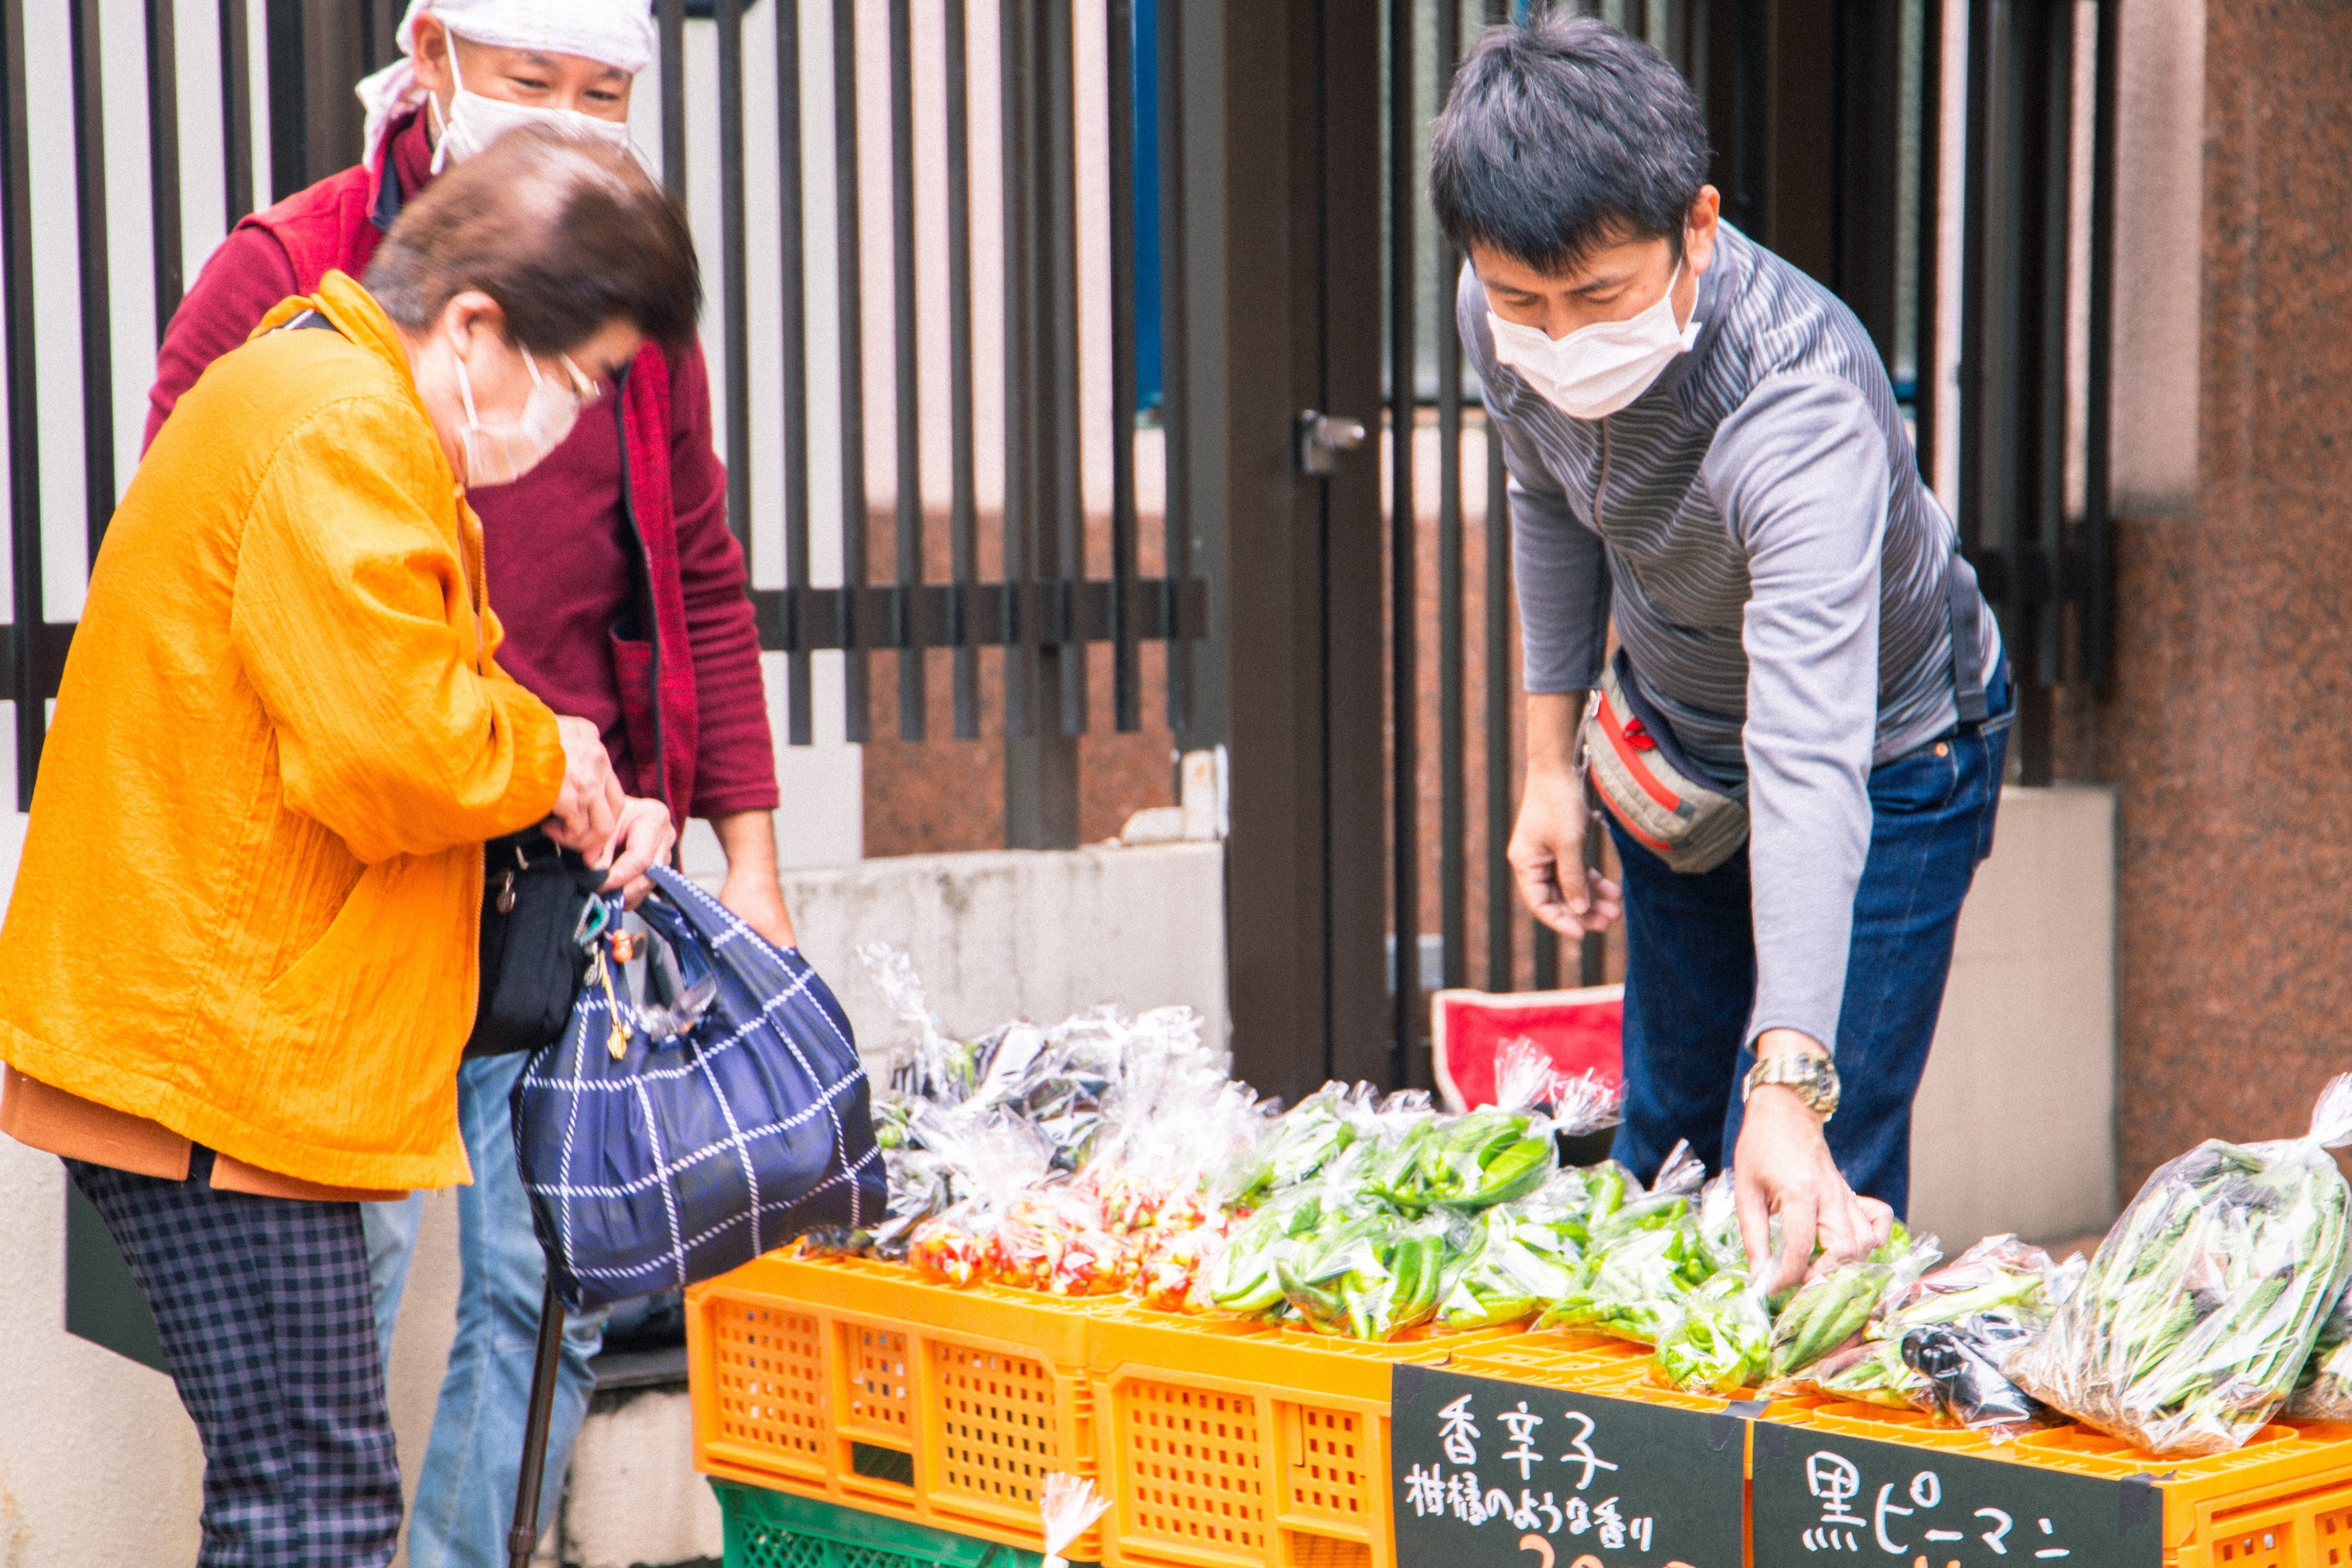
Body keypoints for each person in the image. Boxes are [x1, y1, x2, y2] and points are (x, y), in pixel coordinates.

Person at [145, 2, 793, 1558]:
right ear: (430, 56)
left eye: (604, 91)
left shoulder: (626, 292)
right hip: (354, 874)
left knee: (547, 1276)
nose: (568, 116)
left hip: (565, 868)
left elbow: (695, 564)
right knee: (341, 1292)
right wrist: (536, 748)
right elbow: (236, 605)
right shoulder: (289, 279)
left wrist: (745, 853)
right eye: (529, 80)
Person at [0, 130, 689, 1567]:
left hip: (211, 1046)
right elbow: (395, 752)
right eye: (580, 379)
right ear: (478, 326)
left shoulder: (311, 382)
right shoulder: (345, 429)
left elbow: (407, 686)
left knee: (299, 1489)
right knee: (312, 1504)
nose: (577, 417)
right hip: (223, 1061)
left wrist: (539, 748)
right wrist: (549, 755)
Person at [1432, 18, 2012, 1292]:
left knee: (1816, 1176)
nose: (1559, 339)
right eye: (1524, 302)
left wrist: (1790, 1079)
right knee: (1669, 1140)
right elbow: (1545, 501)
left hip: (1887, 751)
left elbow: (1808, 748)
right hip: (1679, 734)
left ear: (1696, 225)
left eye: (1599, 298)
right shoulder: (1495, 308)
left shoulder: (1796, 404)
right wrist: (1547, 765)